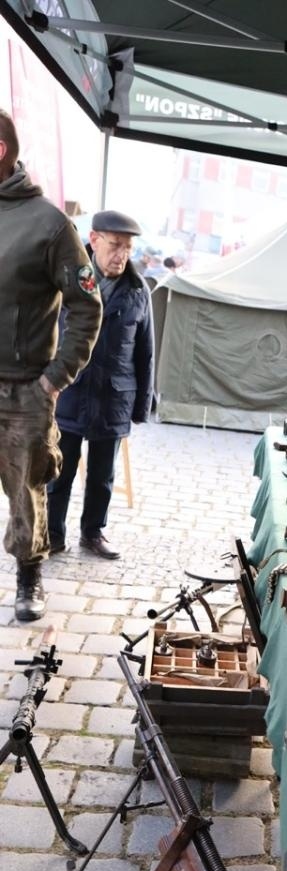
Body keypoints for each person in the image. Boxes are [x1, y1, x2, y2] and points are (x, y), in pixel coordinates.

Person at [0, 110, 102, 621]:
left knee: (26, 485)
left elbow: (87, 306)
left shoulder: (50, 224)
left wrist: (54, 378)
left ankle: (29, 576)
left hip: (23, 390)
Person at [47, 209, 156, 560]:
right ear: (94, 240)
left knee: (102, 476)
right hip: (70, 393)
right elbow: (45, 336)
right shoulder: (67, 282)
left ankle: (93, 533)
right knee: (58, 471)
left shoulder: (139, 292)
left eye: (128, 247)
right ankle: (52, 534)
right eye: (115, 245)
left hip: (113, 398)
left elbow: (146, 352)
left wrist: (141, 407)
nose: (122, 254)